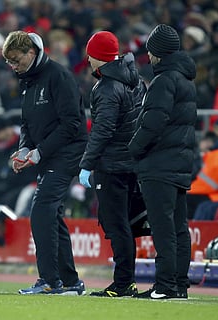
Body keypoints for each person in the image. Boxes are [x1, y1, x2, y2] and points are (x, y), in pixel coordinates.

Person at [2, 30, 88, 295]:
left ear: (32, 52)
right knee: (52, 215)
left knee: (41, 209)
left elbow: (73, 124)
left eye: (16, 60)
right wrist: (24, 148)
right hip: (48, 152)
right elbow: (27, 122)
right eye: (10, 63)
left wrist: (38, 152)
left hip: (68, 150)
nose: (13, 67)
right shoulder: (26, 80)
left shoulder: (59, 77)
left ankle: (49, 281)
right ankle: (71, 281)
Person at [128, 24, 197, 299]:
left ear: (157, 52)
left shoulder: (164, 80)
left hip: (159, 165)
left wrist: (133, 148)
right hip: (179, 163)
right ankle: (179, 286)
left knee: (163, 228)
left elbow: (153, 122)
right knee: (179, 228)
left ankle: (165, 286)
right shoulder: (185, 79)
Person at [77, 30, 146, 297]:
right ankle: (125, 280)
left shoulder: (106, 87)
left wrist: (87, 164)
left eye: (90, 54)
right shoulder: (134, 79)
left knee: (117, 226)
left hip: (112, 165)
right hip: (131, 162)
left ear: (97, 57)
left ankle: (123, 282)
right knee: (125, 226)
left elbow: (102, 130)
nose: (88, 59)